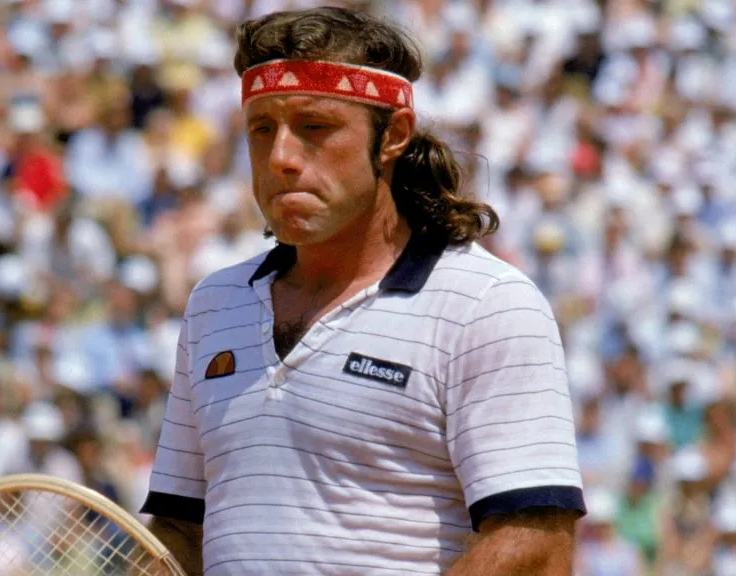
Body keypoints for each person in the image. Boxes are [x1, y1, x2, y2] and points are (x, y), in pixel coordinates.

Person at [140, 7, 586, 575]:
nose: (280, 157)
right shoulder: (213, 303)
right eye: (261, 129)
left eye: (314, 127)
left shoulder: (488, 304)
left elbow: (537, 549)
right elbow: (182, 531)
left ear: (392, 136)